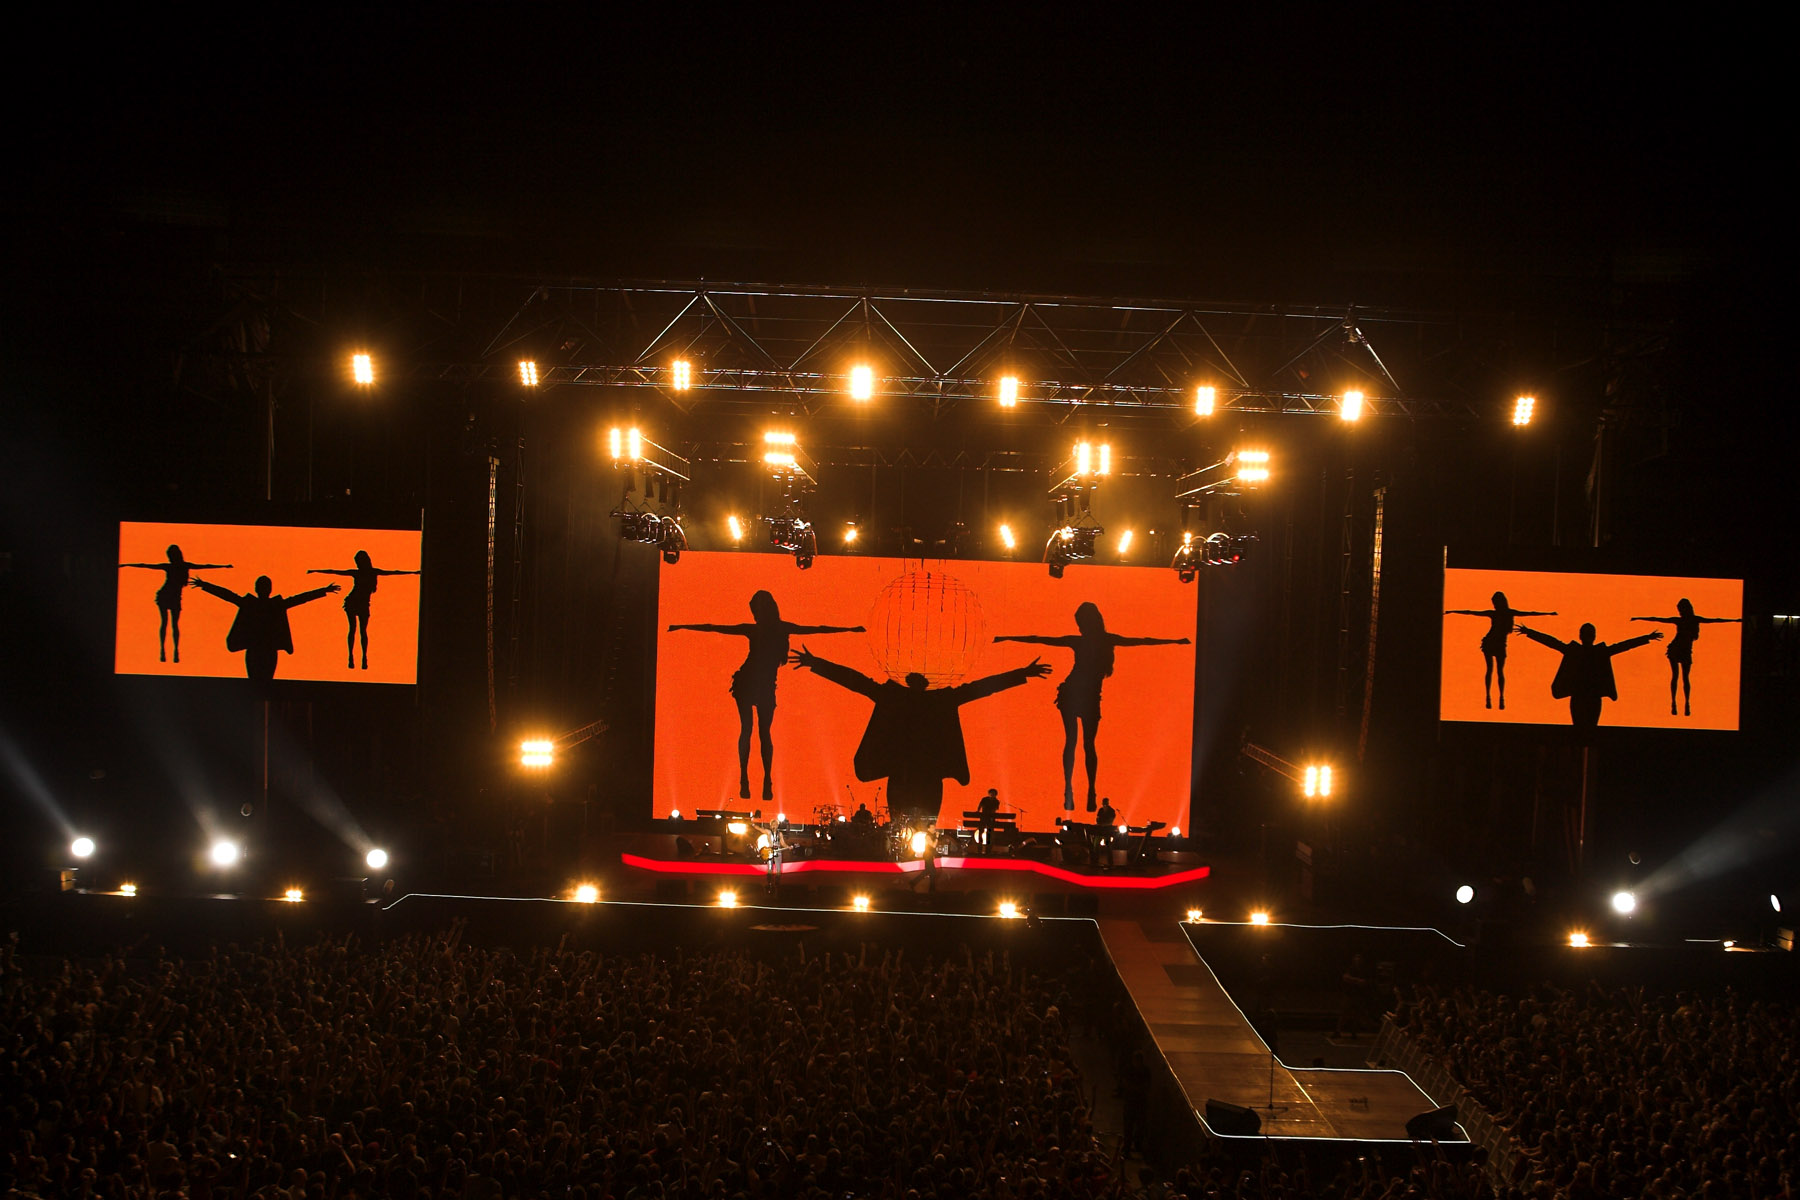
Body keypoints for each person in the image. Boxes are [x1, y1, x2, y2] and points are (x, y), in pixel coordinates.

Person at [788, 644, 1050, 821]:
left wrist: (815, 663)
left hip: (907, 771)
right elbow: (982, 687)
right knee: (917, 822)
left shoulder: (897, 697)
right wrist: (1022, 673)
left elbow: (855, 681)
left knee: (908, 822)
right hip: (922, 772)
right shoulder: (937, 700)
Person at [667, 591, 864, 801]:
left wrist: (849, 629)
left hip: (756, 684)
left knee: (754, 731)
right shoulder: (777, 628)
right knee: (757, 731)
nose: (754, 615)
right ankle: (753, 780)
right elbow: (714, 627)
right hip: (752, 683)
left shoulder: (762, 629)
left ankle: (757, 780)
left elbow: (714, 627)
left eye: (755, 611)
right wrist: (682, 626)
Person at [993, 602, 1190, 812]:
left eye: (1081, 623)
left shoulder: (1088, 641)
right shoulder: (1102, 640)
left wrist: (1175, 641)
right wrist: (1007, 637)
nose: (1079, 627)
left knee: (1079, 743)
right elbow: (1142, 641)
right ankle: (1077, 791)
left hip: (1080, 695)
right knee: (1082, 743)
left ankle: (1083, 791)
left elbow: (1141, 641)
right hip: (1077, 694)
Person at [187, 574, 340, 682]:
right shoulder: (270, 604)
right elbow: (299, 599)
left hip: (260, 649)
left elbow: (228, 595)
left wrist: (205, 585)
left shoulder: (256, 604)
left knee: (260, 681)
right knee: (261, 681)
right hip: (263, 649)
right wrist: (323, 591)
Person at [1513, 621, 1663, 731]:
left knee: (1585, 728)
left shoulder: (1581, 651)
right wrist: (1530, 633)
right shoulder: (1594, 652)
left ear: (1582, 636)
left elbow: (1553, 642)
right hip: (1586, 696)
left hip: (1585, 696)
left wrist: (1529, 632)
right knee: (1586, 728)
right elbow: (1623, 646)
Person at [306, 550, 421, 670]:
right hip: (354, 602)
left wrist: (413, 572)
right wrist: (316, 570)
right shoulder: (367, 572)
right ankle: (352, 657)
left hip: (361, 603)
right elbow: (335, 571)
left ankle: (362, 657)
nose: (358, 564)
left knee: (359, 630)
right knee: (356, 630)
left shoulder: (368, 572)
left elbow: (394, 572)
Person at [118, 544, 233, 663]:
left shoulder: (174, 566)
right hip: (167, 596)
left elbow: (205, 566)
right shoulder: (181, 566)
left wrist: (223, 566)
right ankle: (167, 651)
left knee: (168, 624)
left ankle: (171, 651)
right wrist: (127, 564)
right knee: (170, 624)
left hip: (171, 597)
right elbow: (146, 565)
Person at [1444, 591, 1556, 710]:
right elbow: (1471, 612)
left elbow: (1471, 612)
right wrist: (1453, 611)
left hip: (1495, 643)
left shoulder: (1498, 613)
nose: (1494, 605)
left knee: (1494, 670)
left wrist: (1548, 613)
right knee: (1496, 671)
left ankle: (1497, 697)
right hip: (1493, 643)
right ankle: (1493, 697)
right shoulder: (1506, 613)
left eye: (1495, 603)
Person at [1630, 598, 1741, 716]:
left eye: (1680, 609)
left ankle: (1682, 703)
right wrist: (1639, 618)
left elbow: (1715, 620)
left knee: (1679, 677)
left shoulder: (1685, 620)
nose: (1680, 612)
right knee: (1681, 677)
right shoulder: (1692, 620)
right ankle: (1678, 703)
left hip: (1681, 650)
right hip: (1678, 649)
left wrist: (1735, 620)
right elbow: (1715, 620)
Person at [976, 787, 1001, 851]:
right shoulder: (992, 801)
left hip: (988, 818)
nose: (992, 795)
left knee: (989, 833)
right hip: (986, 818)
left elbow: (994, 809)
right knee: (983, 832)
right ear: (989, 794)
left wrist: (978, 811)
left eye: (993, 794)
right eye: (991, 793)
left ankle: (987, 848)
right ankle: (981, 846)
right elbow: (980, 806)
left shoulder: (995, 801)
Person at [1095, 797, 1118, 865]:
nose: (1104, 804)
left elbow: (1111, 821)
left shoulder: (1111, 811)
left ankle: (1110, 862)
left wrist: (1103, 824)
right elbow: (1097, 818)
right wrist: (1099, 824)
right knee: (1096, 844)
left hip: (1107, 830)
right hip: (1100, 829)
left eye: (1105, 802)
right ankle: (1095, 860)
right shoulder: (1101, 810)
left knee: (1108, 845)